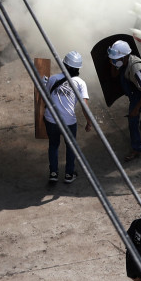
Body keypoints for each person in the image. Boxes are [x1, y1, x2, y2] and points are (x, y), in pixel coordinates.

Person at [108, 40, 141, 162]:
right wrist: (113, 63)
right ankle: (137, 149)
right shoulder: (124, 62)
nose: (116, 60)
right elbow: (113, 75)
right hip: (138, 91)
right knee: (132, 120)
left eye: (117, 58)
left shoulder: (135, 68)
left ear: (126, 56)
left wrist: (137, 108)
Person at [43, 50, 92, 184]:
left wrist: (44, 83)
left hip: (51, 120)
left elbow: (45, 97)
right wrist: (89, 122)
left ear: (63, 64)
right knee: (71, 147)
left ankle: (53, 173)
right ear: (78, 68)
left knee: (53, 145)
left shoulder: (53, 79)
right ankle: (69, 174)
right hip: (69, 122)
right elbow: (84, 106)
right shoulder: (80, 83)